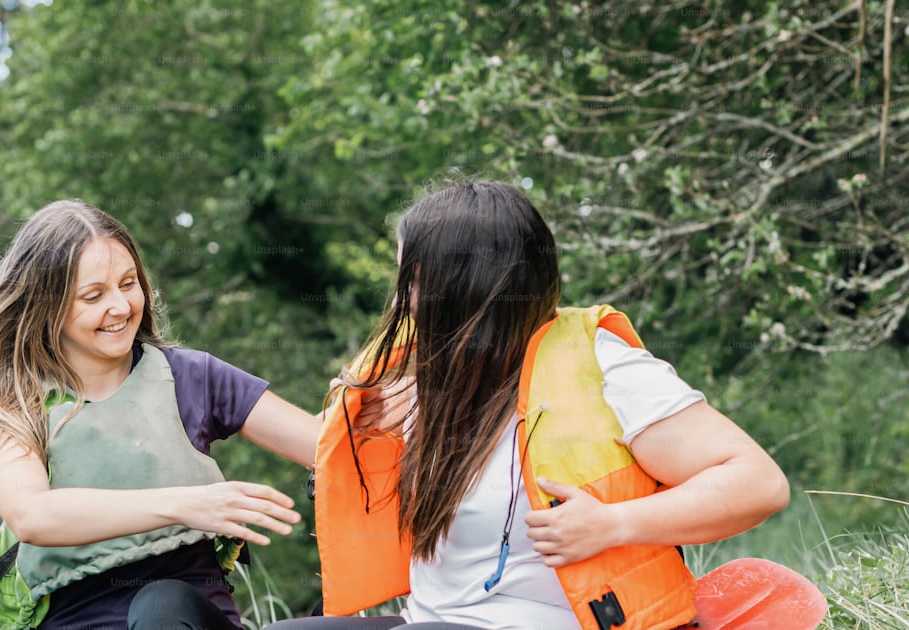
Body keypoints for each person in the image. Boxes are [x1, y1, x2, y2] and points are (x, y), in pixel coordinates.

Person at [269, 181, 790, 629]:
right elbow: (323, 451)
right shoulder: (421, 380)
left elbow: (757, 484)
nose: (400, 301)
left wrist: (615, 524)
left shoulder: (605, 368)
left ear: (462, 287)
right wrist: (365, 431)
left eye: (410, 281)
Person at [0, 199, 321, 629]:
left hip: (187, 616)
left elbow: (327, 447)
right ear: (47, 305)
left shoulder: (191, 376)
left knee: (164, 605)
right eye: (93, 295)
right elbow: (31, 515)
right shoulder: (14, 403)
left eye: (128, 284)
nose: (120, 307)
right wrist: (187, 504)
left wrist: (376, 398)